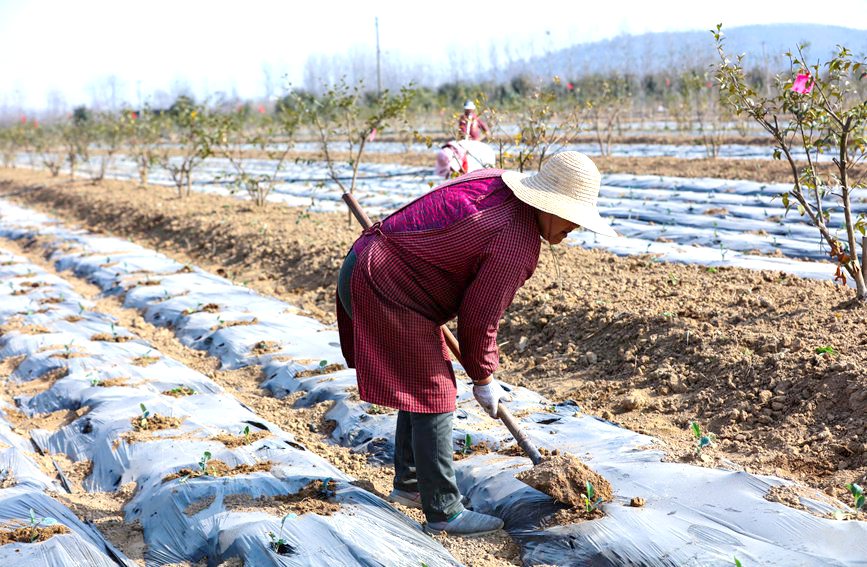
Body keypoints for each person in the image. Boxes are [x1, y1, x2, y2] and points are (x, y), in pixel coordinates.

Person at [335, 151, 616, 536]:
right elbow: (479, 319)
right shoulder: (515, 243)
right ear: (549, 204)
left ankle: (412, 485)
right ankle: (444, 512)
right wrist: (484, 377)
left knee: (421, 382)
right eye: (572, 217)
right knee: (434, 389)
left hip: (375, 267)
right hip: (387, 286)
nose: (575, 229)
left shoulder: (496, 182)